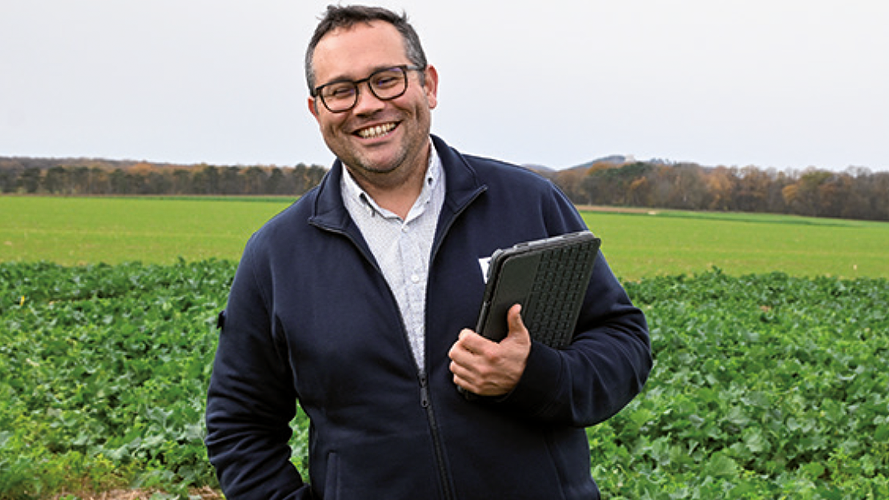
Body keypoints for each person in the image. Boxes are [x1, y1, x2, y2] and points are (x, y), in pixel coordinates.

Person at [205, 5, 652, 499]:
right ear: (317, 111)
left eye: (387, 80)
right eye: (340, 91)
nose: (367, 105)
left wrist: (533, 375)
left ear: (429, 85)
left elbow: (622, 342)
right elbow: (239, 426)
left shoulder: (529, 204)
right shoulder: (277, 254)